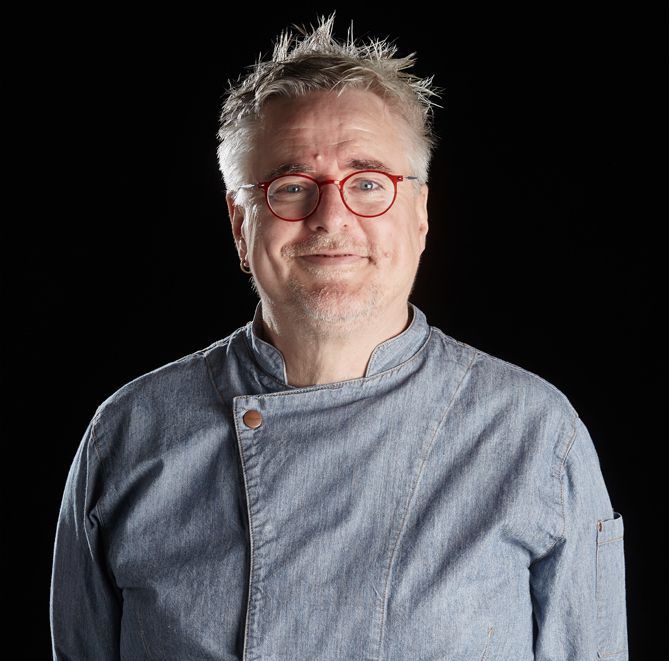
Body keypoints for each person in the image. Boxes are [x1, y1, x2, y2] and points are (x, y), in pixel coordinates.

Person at [50, 12, 629, 660]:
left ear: (419, 215)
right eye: (292, 186)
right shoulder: (129, 436)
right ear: (240, 224)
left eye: (369, 183)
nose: (331, 217)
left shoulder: (536, 438)